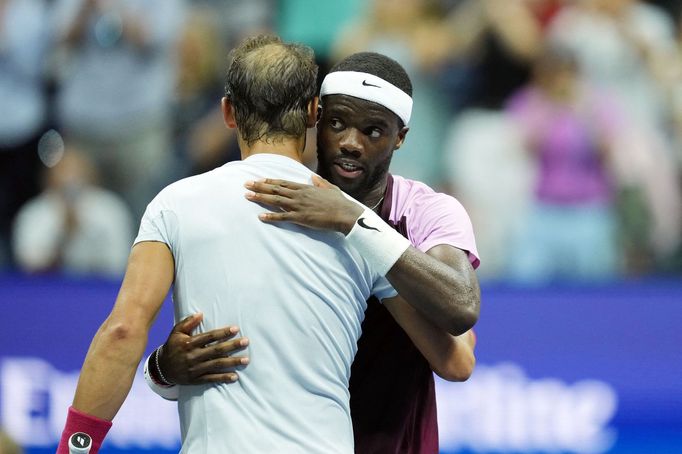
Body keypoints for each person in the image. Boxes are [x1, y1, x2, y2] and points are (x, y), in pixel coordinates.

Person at [56, 35, 462, 453]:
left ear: (228, 112)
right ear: (311, 114)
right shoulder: (357, 226)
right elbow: (455, 359)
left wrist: (76, 446)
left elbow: (123, 331)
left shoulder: (176, 204)